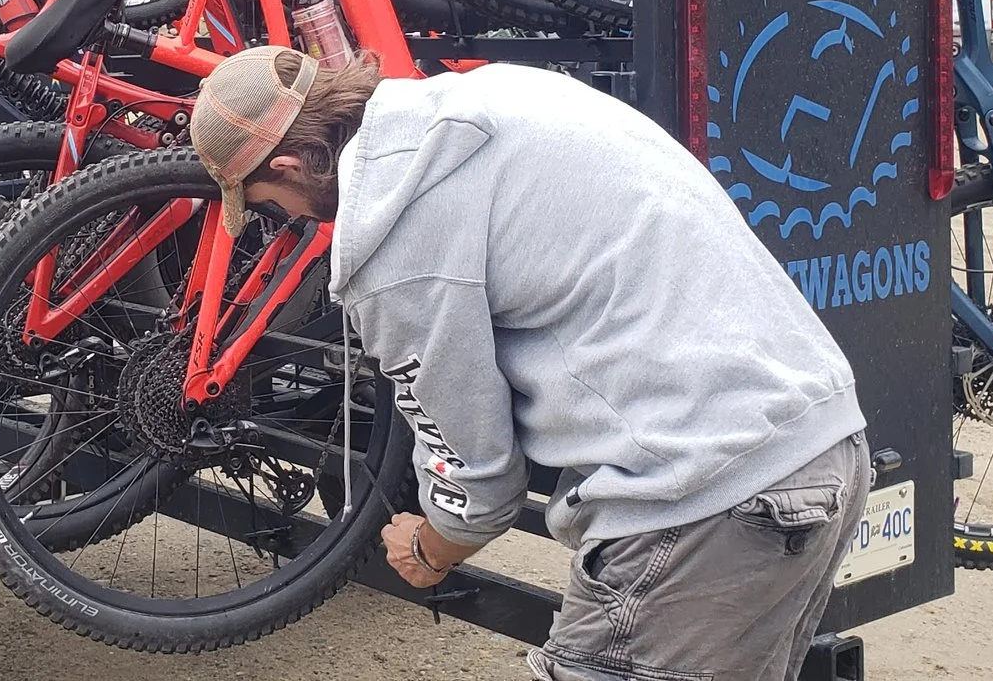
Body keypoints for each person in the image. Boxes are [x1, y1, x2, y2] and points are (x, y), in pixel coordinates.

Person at [188, 46, 871, 681]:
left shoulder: (390, 240)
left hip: (699, 494)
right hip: (819, 441)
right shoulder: (487, 98)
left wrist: (432, 543)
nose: (288, 220)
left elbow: (475, 472)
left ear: (286, 166)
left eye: (265, 203)